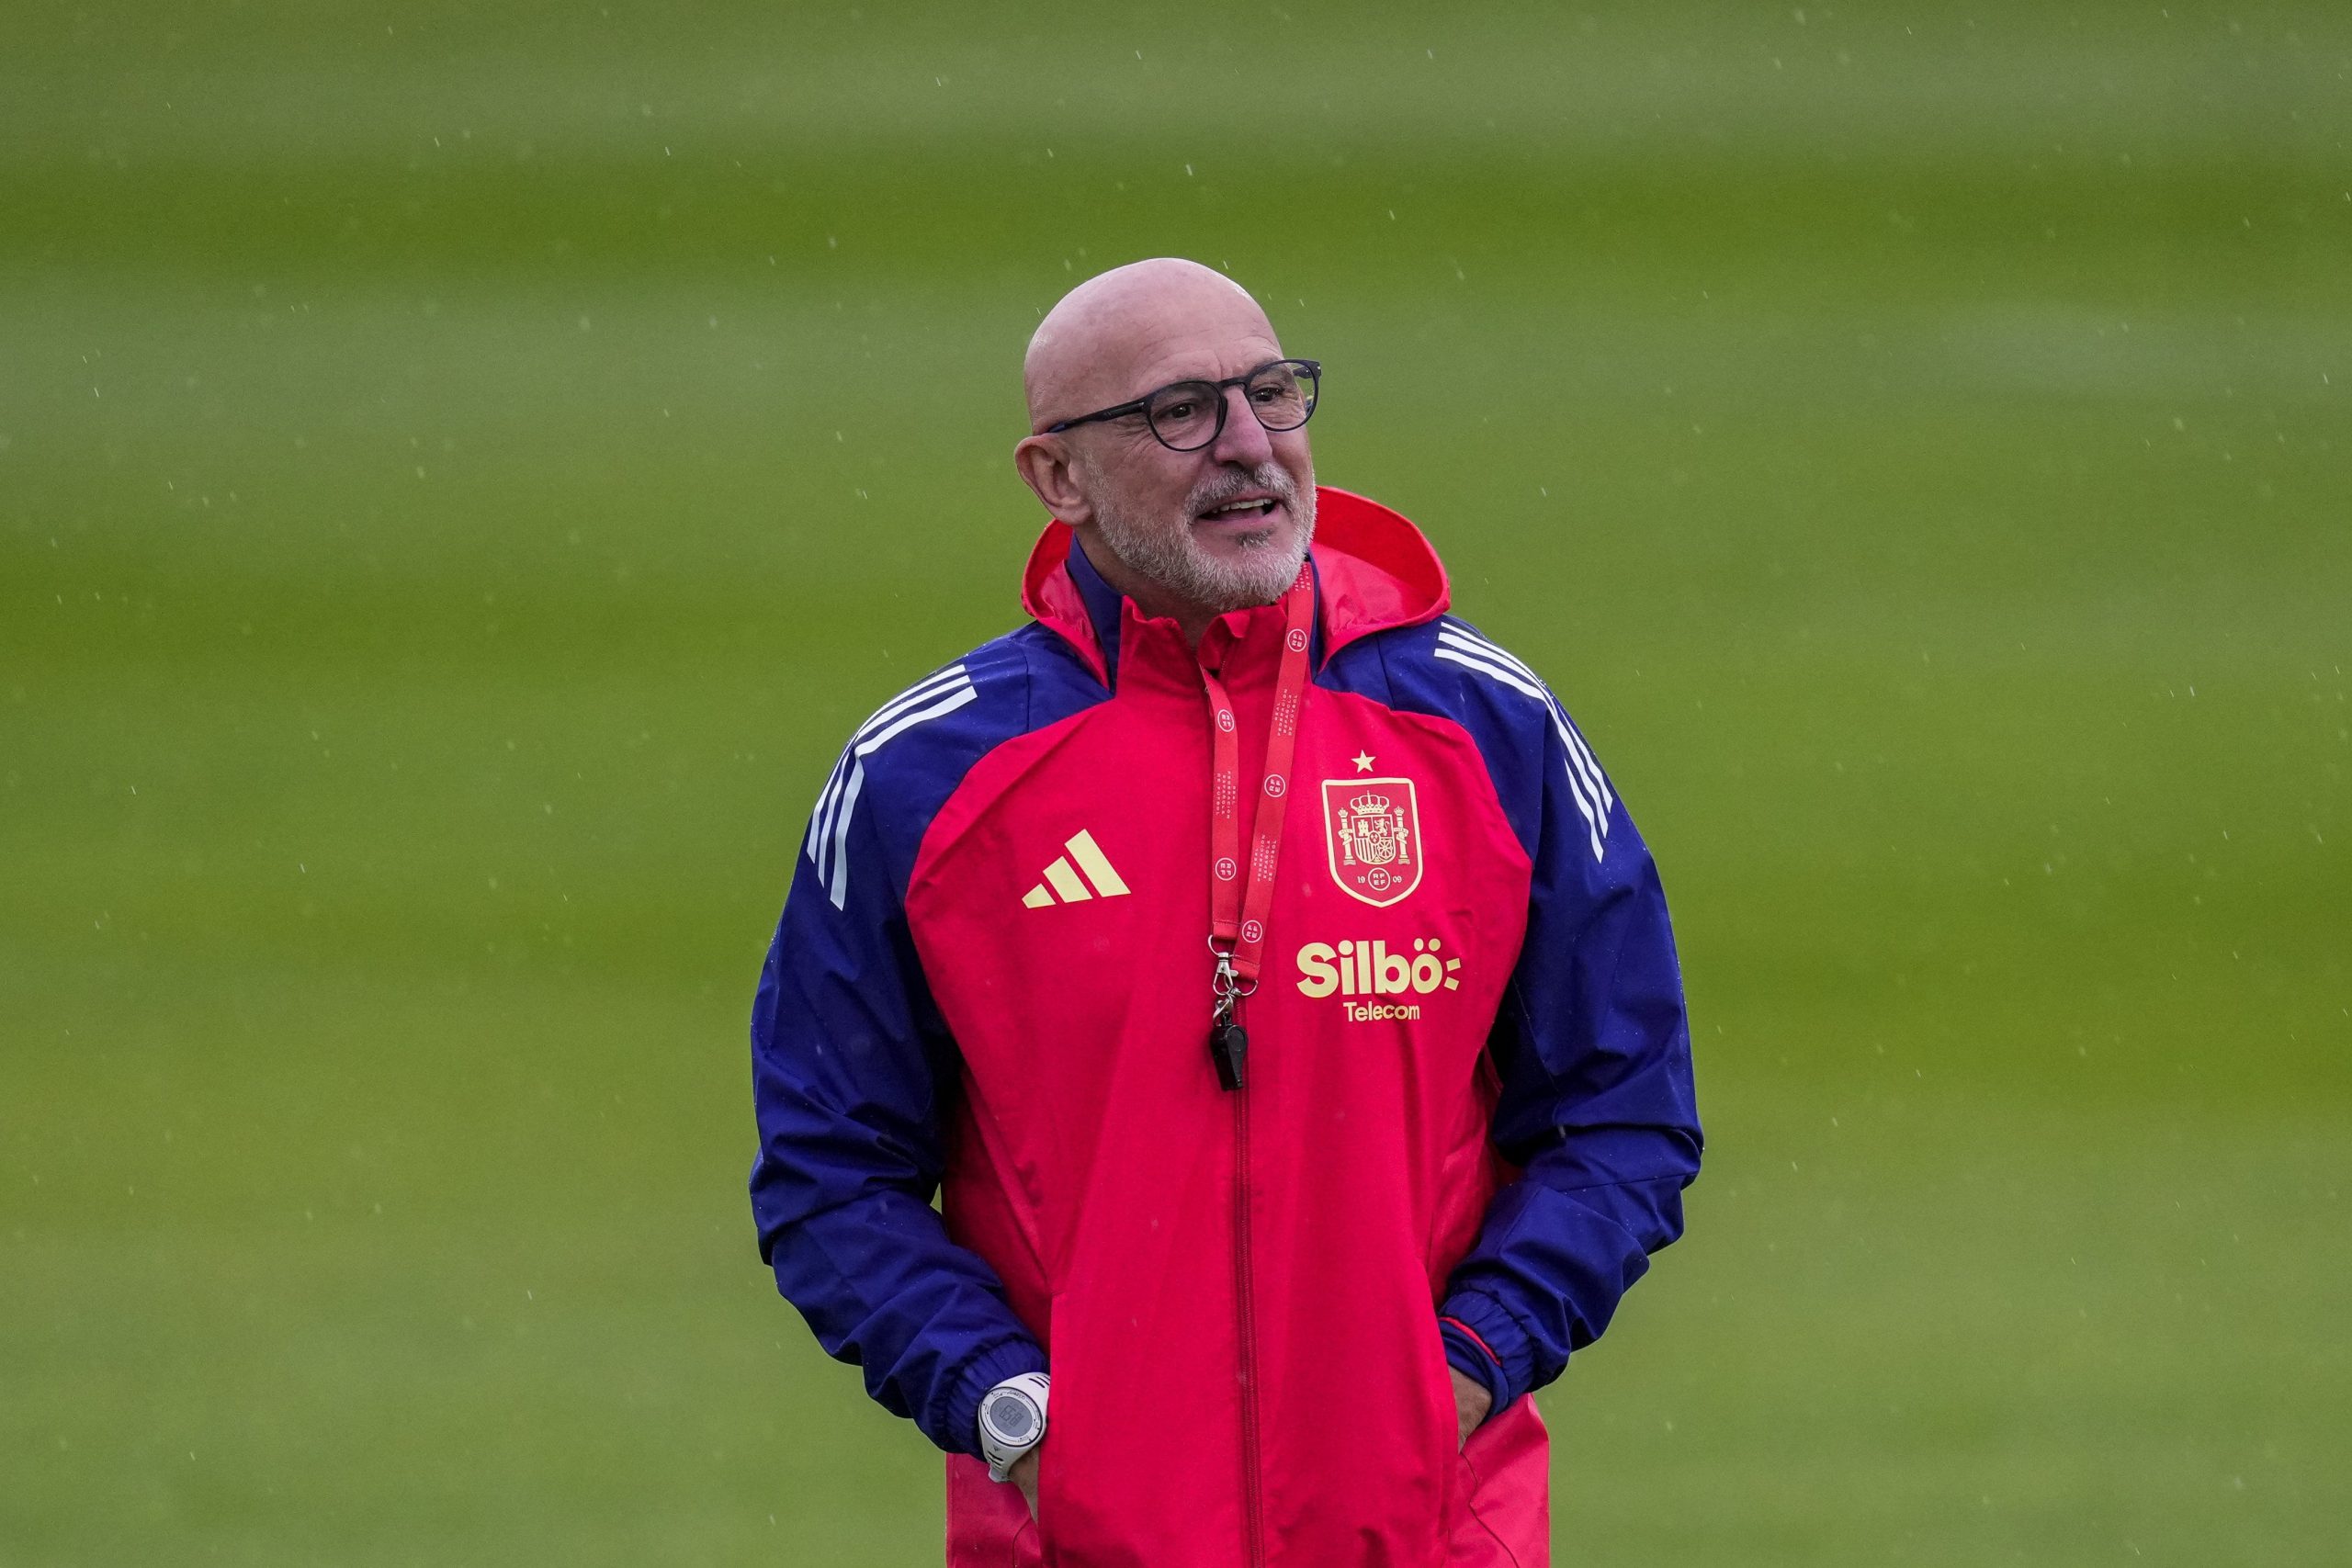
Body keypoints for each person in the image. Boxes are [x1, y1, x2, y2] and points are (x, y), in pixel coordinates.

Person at [748, 257, 1701, 1566]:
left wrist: (1465, 1369)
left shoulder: (1485, 729)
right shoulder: (926, 778)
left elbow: (1623, 1112)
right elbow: (830, 1173)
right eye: (1178, 412)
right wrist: (1008, 1411)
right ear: (1056, 477)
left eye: (1271, 393)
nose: (1250, 447)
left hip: (1429, 1539)